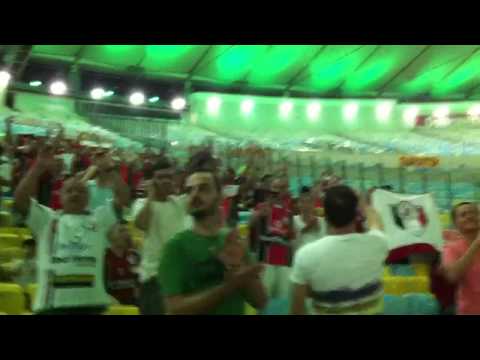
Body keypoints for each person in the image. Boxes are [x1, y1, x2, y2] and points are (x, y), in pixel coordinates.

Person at [14, 145, 120, 315]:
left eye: (80, 191)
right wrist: (38, 167)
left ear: (88, 197)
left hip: (91, 306)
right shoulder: (47, 219)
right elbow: (20, 199)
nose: (75, 194)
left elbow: (122, 199)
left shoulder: (99, 219)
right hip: (53, 307)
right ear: (60, 197)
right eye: (69, 191)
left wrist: (110, 169)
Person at [158, 169, 267, 315]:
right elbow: (174, 309)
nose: (194, 194)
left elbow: (260, 301)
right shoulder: (176, 246)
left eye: (203, 188)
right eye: (190, 190)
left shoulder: (233, 240)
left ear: (219, 195)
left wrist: (237, 266)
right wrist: (229, 286)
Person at [290, 185, 388, 315]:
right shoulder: (377, 243)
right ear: (356, 215)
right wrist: (364, 204)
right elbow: (376, 222)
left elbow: (297, 311)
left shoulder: (305, 255)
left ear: (325, 216)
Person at [132, 156, 192, 315]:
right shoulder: (141, 204)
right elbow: (141, 224)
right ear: (151, 180)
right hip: (153, 279)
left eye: (169, 177)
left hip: (178, 278)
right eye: (160, 177)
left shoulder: (178, 203)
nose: (165, 181)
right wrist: (151, 196)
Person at [441, 202, 480, 315]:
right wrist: (476, 244)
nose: (470, 216)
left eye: (474, 213)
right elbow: (452, 276)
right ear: (455, 223)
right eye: (463, 214)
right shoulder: (450, 248)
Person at [105, 223, 140, 306]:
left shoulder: (134, 256)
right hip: (113, 305)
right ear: (111, 236)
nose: (126, 234)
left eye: (127, 231)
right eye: (121, 231)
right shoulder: (105, 258)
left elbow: (140, 281)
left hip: (134, 304)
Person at [292, 186, 326, 253]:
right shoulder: (293, 220)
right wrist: (306, 228)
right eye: (302, 202)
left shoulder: (322, 221)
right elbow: (292, 243)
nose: (306, 205)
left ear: (313, 204)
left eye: (309, 202)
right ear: (298, 204)